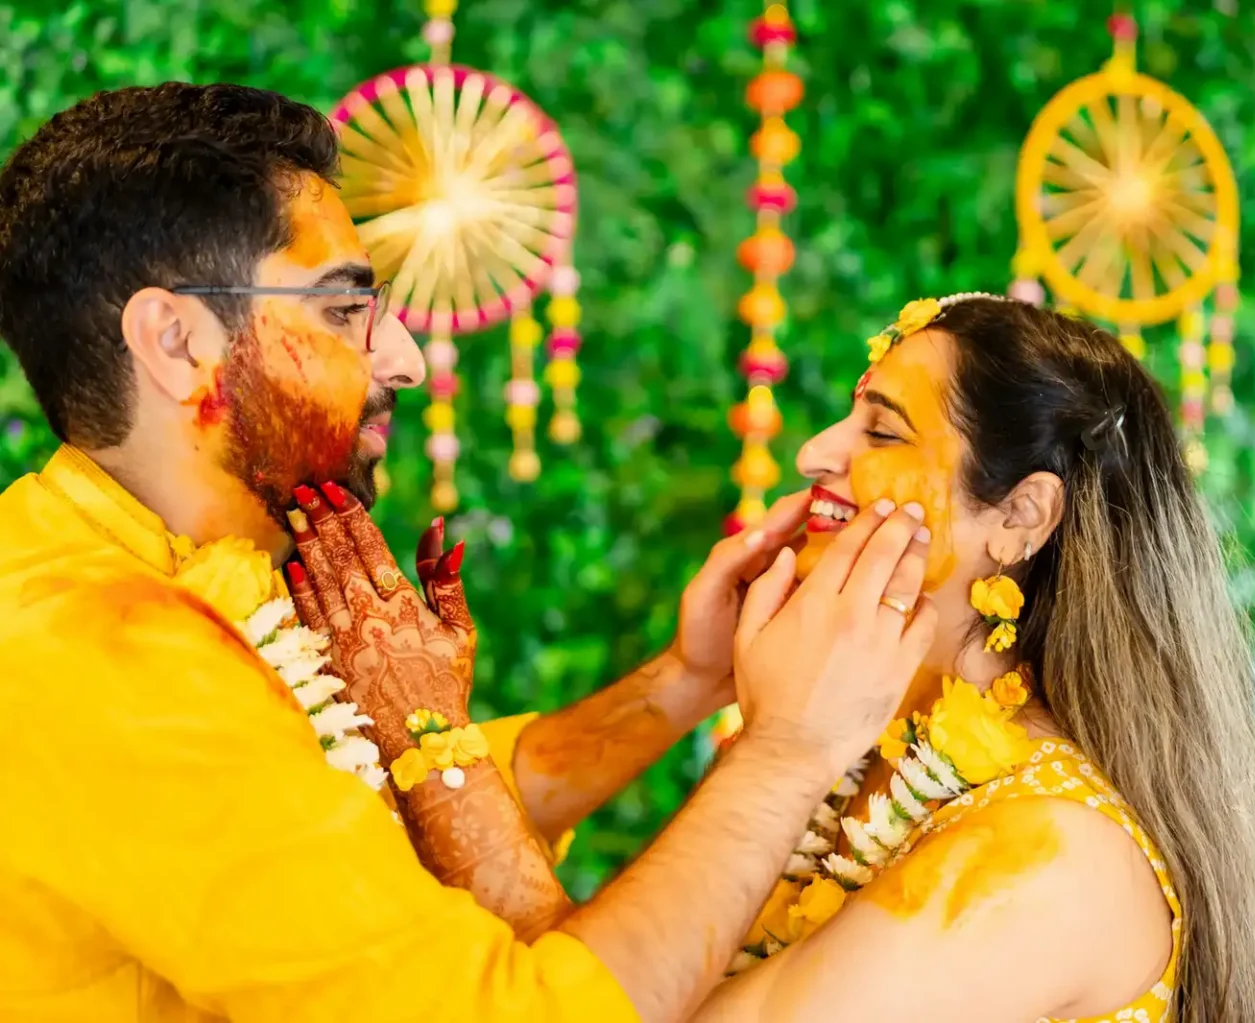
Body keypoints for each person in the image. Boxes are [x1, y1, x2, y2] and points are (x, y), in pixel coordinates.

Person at [0, 82, 938, 1022]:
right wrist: (789, 750)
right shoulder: (109, 657)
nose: (403, 357)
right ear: (176, 340)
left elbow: (382, 821)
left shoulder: (134, 562)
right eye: (341, 310)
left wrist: (687, 682)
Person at [676, 295, 1255, 1021]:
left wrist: (775, 750)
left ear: (1020, 516)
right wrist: (691, 687)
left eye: (881, 432)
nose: (814, 453)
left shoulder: (1052, 852)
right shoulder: (851, 750)